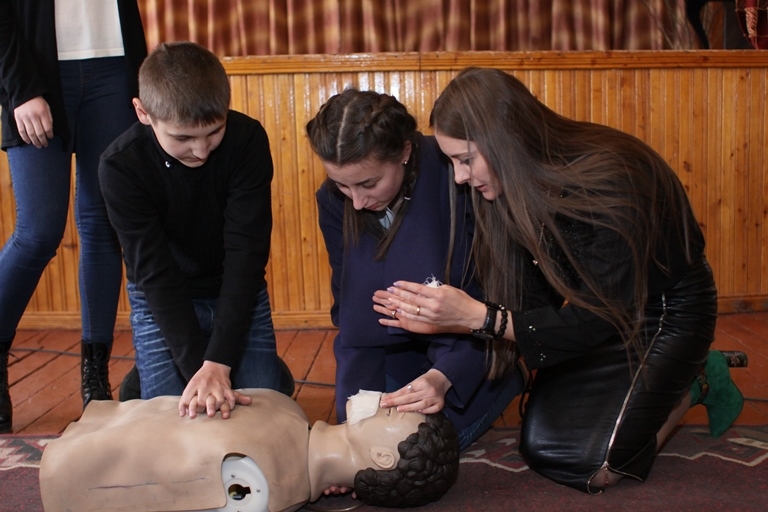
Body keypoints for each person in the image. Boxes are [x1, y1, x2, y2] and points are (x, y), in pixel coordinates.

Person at [373, 67, 747, 494]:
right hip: (598, 317)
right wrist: (447, 363)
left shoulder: (612, 176)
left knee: (590, 465)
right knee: (540, 444)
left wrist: (476, 317)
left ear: (506, 137)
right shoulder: (506, 188)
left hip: (666, 312)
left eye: (465, 159)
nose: (460, 177)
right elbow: (532, 305)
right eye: (452, 162)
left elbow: (595, 319)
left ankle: (697, 375)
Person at [306, 88, 524, 452]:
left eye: (368, 183)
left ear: (405, 152)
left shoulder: (457, 176)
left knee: (415, 451)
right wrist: (351, 426)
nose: (356, 202)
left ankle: (508, 378)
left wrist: (445, 376)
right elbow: (354, 315)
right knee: (369, 451)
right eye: (342, 185)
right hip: (393, 349)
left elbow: (493, 297)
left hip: (473, 345)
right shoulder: (332, 201)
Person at [99, 41, 293, 419]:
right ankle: (146, 380)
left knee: (263, 415)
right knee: (176, 419)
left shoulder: (247, 140)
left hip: (235, 288)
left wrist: (218, 363)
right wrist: (201, 376)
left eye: (213, 132)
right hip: (163, 295)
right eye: (183, 138)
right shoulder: (120, 166)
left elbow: (246, 253)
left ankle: (268, 372)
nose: (201, 151)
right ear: (143, 112)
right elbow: (154, 274)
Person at [0, 0, 148, 434]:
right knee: (39, 231)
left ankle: (94, 376)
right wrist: (20, 89)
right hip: (36, 70)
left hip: (114, 67)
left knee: (104, 227)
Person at [39, 389, 459, 511]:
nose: (386, 399)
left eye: (390, 414)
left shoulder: (262, 488)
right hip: (99, 426)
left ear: (382, 460)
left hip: (74, 467)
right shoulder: (288, 408)